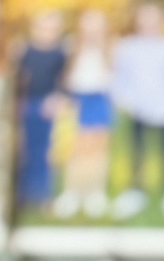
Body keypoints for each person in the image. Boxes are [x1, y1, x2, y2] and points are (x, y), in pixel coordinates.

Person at [110, 4, 164, 223]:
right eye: (145, 20)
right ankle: (135, 191)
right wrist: (124, 100)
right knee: (137, 151)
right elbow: (120, 77)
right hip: (138, 108)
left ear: (161, 22)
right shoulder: (127, 47)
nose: (149, 24)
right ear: (138, 22)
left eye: (154, 20)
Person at [54, 9, 113, 219]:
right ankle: (72, 192)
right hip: (78, 98)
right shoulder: (72, 47)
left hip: (100, 97)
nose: (92, 33)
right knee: (76, 147)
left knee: (97, 147)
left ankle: (95, 193)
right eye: (88, 28)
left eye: (97, 29)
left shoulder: (110, 48)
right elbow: (63, 76)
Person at [16, 10, 67, 210]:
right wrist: (18, 102)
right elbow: (19, 79)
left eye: (52, 29)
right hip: (27, 104)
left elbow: (62, 80)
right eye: (43, 28)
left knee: (43, 151)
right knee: (24, 151)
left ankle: (42, 195)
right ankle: (23, 194)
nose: (47, 33)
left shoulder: (60, 53)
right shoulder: (25, 51)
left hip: (47, 106)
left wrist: (56, 99)